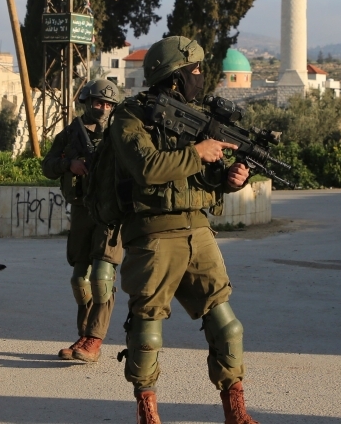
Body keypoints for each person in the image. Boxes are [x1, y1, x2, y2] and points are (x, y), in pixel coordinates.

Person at [108, 36, 258, 424]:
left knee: (228, 326)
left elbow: (203, 180)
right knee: (148, 329)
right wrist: (197, 152)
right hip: (155, 233)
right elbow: (147, 168)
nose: (199, 77)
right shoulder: (131, 116)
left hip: (198, 230)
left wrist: (229, 179)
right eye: (193, 70)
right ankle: (148, 411)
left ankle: (235, 410)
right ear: (172, 76)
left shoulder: (196, 118)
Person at [43, 79, 124, 362]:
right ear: (87, 103)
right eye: (98, 103)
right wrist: (70, 164)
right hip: (81, 211)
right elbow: (48, 166)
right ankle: (84, 334)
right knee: (80, 280)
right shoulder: (70, 135)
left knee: (103, 277)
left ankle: (95, 339)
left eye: (108, 105)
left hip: (110, 213)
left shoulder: (122, 133)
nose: (103, 109)